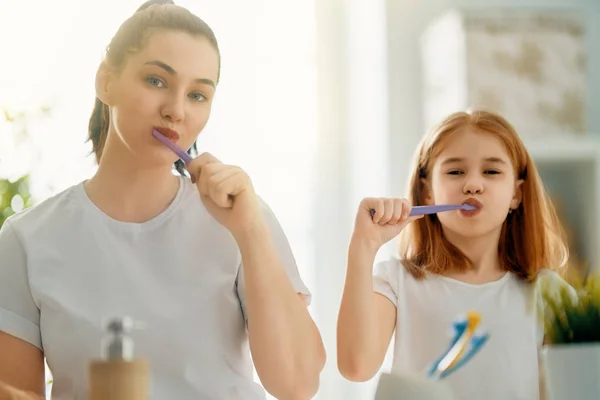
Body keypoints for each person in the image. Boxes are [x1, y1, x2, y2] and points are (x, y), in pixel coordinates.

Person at [0, 1, 325, 399]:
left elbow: (298, 385)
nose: (175, 110)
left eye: (198, 95)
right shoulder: (27, 240)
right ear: (106, 81)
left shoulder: (243, 217)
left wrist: (250, 232)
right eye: (156, 81)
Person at [336, 109, 572, 399]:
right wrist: (364, 244)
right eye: (455, 171)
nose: (473, 184)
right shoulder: (396, 282)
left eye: (492, 171)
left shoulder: (548, 293)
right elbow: (355, 366)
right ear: (427, 193)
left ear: (516, 194)